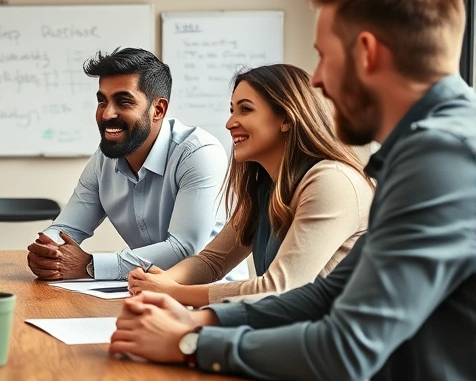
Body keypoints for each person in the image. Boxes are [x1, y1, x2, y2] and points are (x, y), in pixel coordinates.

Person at [109, 0, 476, 381]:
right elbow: (332, 290)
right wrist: (205, 317)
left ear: (367, 52)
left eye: (324, 56)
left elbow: (346, 350)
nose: (319, 80)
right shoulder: (425, 151)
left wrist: (192, 341)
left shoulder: (443, 159)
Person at [128, 64, 372, 306]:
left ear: (286, 118)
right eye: (232, 110)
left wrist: (173, 292)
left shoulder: (332, 182)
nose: (230, 122)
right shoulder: (265, 188)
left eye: (245, 110)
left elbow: (279, 288)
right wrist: (158, 281)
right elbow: (212, 261)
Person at [27, 48, 228, 280]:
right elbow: (67, 229)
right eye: (102, 101)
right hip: (141, 291)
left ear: (158, 109)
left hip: (208, 298)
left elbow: (184, 249)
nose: (107, 114)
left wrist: (90, 265)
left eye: (123, 101)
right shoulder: (104, 159)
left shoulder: (199, 154)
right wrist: (48, 251)